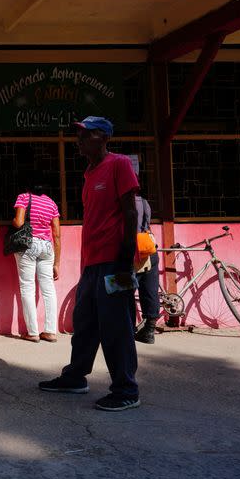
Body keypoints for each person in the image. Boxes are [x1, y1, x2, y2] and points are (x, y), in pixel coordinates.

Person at [38, 116, 141, 412]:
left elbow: (130, 213)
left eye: (84, 134)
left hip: (115, 261)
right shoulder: (89, 173)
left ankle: (126, 389)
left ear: (102, 137)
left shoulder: (119, 164)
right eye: (78, 134)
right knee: (84, 322)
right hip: (93, 263)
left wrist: (126, 257)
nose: (78, 139)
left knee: (116, 327)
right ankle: (75, 377)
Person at [12, 184, 61, 342]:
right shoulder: (51, 203)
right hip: (47, 247)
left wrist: (13, 221)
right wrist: (57, 263)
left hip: (28, 244)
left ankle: (32, 332)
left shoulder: (24, 197)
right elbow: (57, 234)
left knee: (27, 287)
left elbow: (19, 222)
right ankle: (50, 331)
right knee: (48, 289)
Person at [134, 190, 160, 344]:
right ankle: (150, 330)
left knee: (124, 289)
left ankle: (128, 327)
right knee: (150, 288)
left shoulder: (119, 203)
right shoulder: (143, 202)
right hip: (148, 246)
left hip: (131, 249)